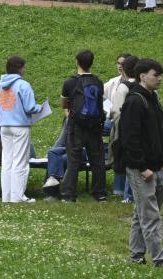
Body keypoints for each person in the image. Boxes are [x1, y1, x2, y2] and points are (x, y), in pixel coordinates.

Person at [117, 58, 163, 265]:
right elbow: (129, 138)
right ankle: (159, 259)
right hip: (142, 169)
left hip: (157, 166)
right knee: (151, 216)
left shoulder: (153, 98)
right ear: (143, 76)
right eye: (156, 75)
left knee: (141, 213)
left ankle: (136, 256)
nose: (159, 79)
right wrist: (142, 167)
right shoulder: (135, 101)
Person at [57, 49, 109, 202]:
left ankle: (69, 194)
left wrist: (70, 114)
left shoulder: (70, 82)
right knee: (97, 160)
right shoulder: (98, 82)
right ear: (91, 63)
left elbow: (64, 104)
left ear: (77, 62)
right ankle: (99, 193)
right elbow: (101, 103)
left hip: (76, 126)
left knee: (73, 159)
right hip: (95, 126)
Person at [0, 55, 39, 203]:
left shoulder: (0, 85)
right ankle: (18, 197)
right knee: (20, 161)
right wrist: (40, 107)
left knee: (7, 161)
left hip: (4, 126)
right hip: (20, 126)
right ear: (20, 68)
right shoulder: (23, 85)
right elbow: (30, 107)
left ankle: (6, 196)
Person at [107, 54, 139, 203]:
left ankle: (124, 193)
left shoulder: (123, 87)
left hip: (124, 129)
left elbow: (117, 112)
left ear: (125, 69)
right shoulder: (144, 85)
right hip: (141, 129)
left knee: (122, 158)